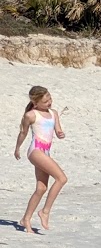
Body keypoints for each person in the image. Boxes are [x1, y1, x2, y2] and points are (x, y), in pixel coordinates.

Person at [15, 85, 67, 233]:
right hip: (36, 151)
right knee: (61, 178)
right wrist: (17, 148)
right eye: (45, 101)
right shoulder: (31, 115)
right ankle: (45, 211)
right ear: (35, 103)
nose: (49, 103)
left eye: (50, 98)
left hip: (46, 151)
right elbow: (23, 133)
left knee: (41, 188)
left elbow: (57, 130)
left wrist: (61, 134)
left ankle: (26, 219)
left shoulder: (54, 113)